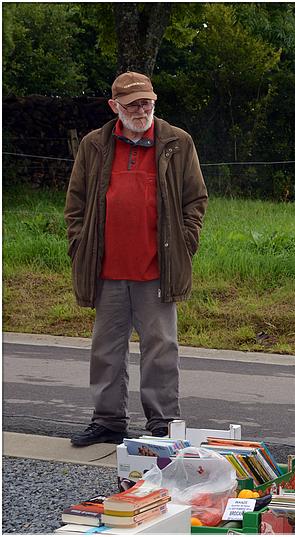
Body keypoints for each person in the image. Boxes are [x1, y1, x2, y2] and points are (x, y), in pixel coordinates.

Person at [65, 71, 208, 446]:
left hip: (157, 270)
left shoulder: (178, 142)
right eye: (132, 105)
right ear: (115, 107)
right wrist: (79, 245)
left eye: (147, 102)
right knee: (106, 352)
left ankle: (162, 423)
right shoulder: (94, 144)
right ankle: (108, 421)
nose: (142, 110)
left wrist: (185, 242)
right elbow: (76, 203)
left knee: (161, 349)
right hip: (107, 271)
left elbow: (196, 200)